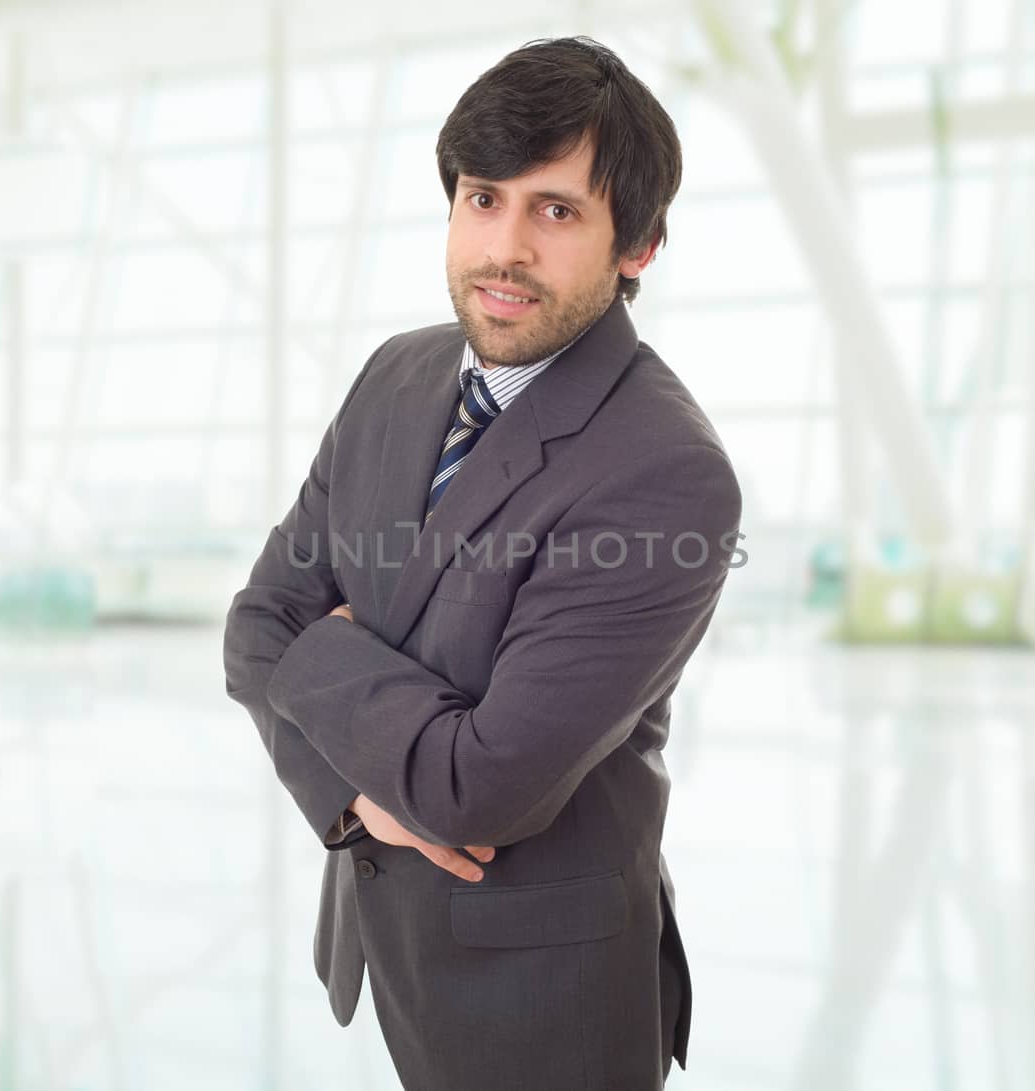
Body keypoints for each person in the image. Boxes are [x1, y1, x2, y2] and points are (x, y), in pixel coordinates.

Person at [224, 35, 742, 1090]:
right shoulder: (397, 374)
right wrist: (355, 799)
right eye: (482, 197)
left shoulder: (663, 469)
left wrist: (322, 654)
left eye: (556, 211)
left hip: (543, 992)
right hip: (391, 929)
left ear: (636, 244)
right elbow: (254, 625)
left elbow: (477, 787)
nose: (504, 247)